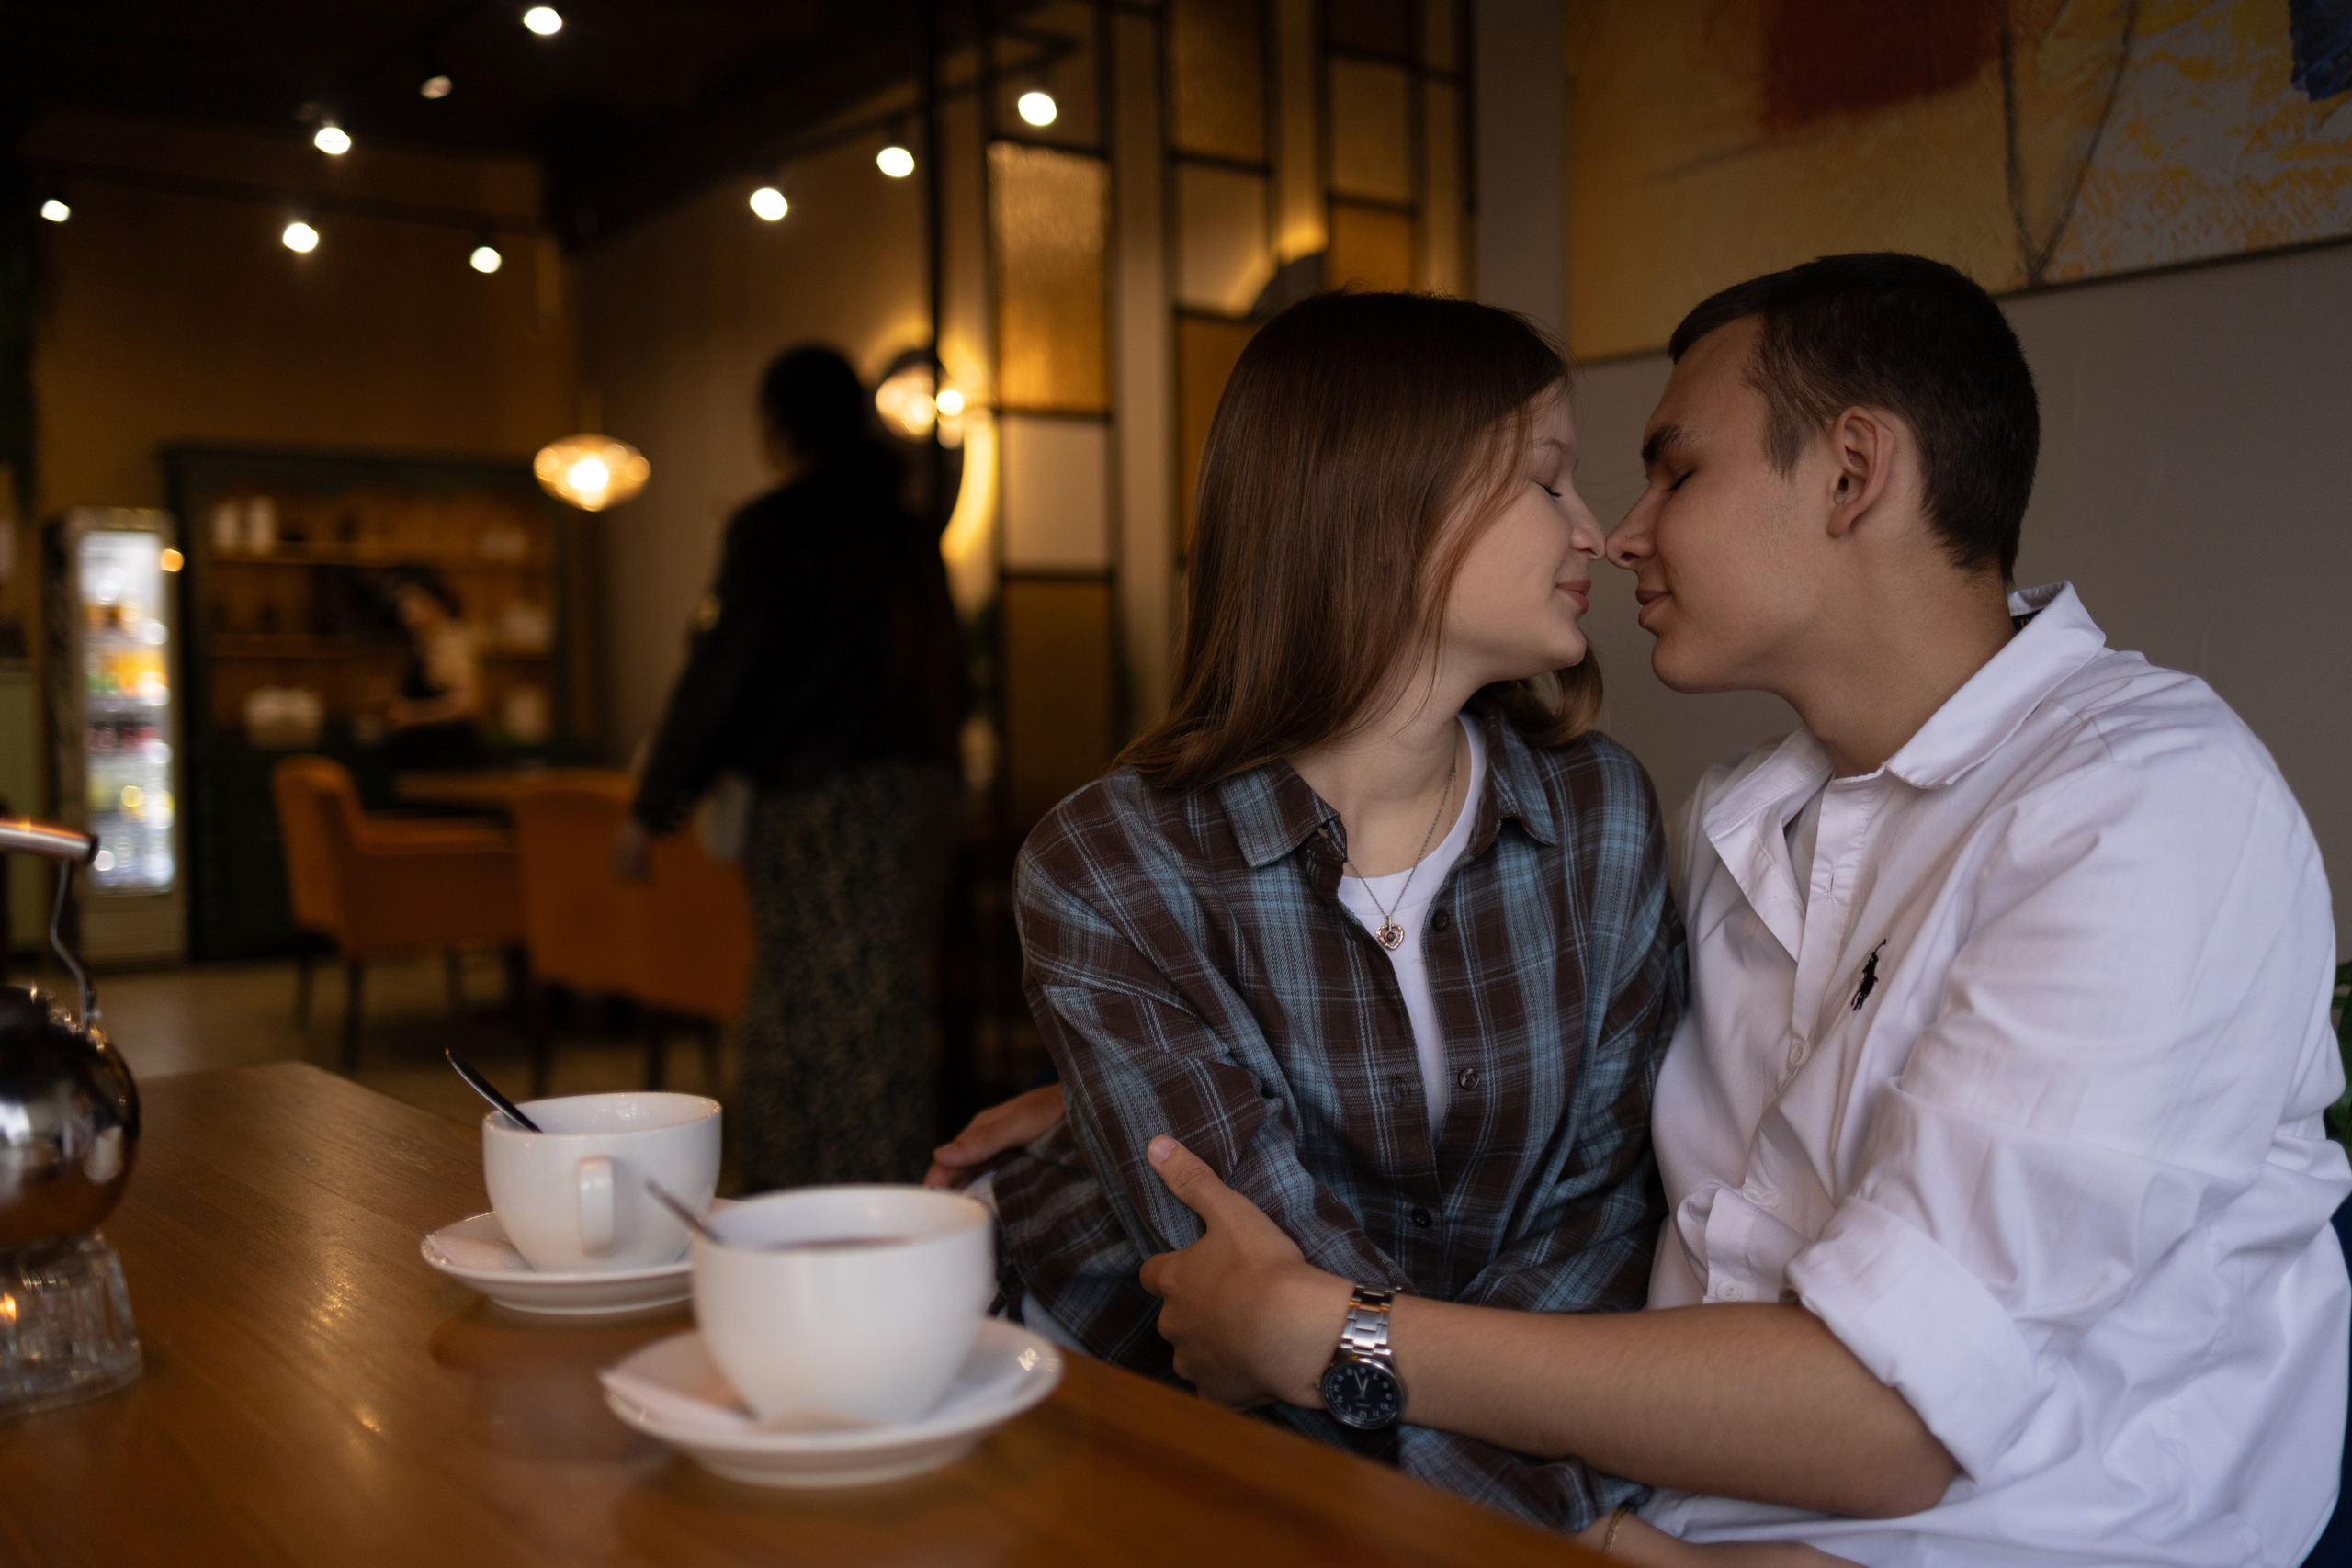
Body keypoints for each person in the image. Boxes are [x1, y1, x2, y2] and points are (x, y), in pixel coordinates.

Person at [936, 254, 2351, 1566]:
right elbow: (1525, 1141)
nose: (1616, 533)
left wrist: (1342, 1337)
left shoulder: (2141, 811)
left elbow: (1874, 1409)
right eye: (1564, 481)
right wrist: (1097, 1116)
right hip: (1619, 1501)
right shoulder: (1741, 818)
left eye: (1670, 470)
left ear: (1854, 470)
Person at [970, 290, 1697, 1540]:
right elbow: (1247, 1296)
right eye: (1547, 481)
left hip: (1465, 1470)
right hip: (1123, 1426)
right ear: (1384, 513)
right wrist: (1591, 1534)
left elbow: (1604, 1220)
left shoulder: (1602, 814)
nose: (1598, 530)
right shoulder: (1109, 862)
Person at [621, 344, 967, 1190]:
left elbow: (724, 673)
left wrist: (652, 805)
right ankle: (888, 1214)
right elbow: (950, 674)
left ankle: (807, 1215)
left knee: (809, 1015)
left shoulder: (779, 526)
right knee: (872, 1008)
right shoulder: (908, 530)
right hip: (919, 799)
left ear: (777, 426)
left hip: (822, 807)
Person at [380, 570, 483, 771]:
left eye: (415, 606)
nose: (407, 615)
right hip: (425, 756)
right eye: (404, 609)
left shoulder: (451, 644)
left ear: (437, 604)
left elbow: (468, 704)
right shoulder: (425, 644)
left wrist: (413, 715)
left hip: (447, 760)